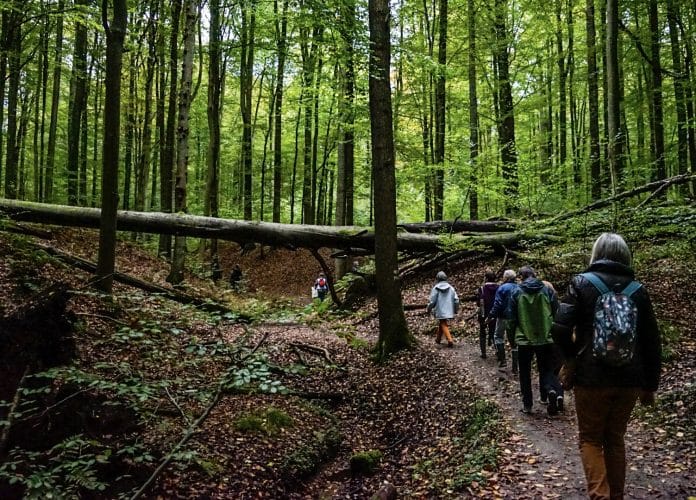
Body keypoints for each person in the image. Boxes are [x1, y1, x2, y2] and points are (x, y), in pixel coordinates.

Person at [551, 232, 661, 499]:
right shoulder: (638, 291)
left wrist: (571, 359)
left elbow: (559, 329)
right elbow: (651, 341)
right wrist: (650, 385)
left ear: (596, 253)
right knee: (615, 439)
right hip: (630, 380)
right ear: (625, 256)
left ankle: (600, 495)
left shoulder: (581, 283)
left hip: (591, 378)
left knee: (590, 439)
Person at [507, 266, 562, 415]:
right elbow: (557, 312)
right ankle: (549, 391)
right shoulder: (547, 290)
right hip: (546, 337)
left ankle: (527, 405)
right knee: (546, 368)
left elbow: (511, 319)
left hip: (524, 339)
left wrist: (512, 340)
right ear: (534, 274)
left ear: (521, 277)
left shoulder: (516, 292)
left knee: (524, 372)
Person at [487, 269, 518, 370]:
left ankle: (503, 362)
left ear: (506, 278)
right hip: (515, 318)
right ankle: (515, 367)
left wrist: (491, 315)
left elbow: (498, 304)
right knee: (514, 341)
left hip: (503, 317)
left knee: (498, 336)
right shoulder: (519, 288)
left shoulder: (502, 288)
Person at [426, 271, 460, 348]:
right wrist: (455, 309)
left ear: (437, 279)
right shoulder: (451, 288)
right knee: (442, 322)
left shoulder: (435, 288)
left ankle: (450, 340)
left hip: (439, 309)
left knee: (443, 322)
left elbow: (432, 301)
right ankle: (438, 339)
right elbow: (456, 300)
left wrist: (428, 309)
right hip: (449, 309)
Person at [477, 270, 499, 358]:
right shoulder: (499, 288)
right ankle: (498, 351)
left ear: (486, 278)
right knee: (495, 333)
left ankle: (483, 353)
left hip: (484, 313)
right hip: (496, 313)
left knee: (482, 332)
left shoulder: (482, 289)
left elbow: (479, 302)